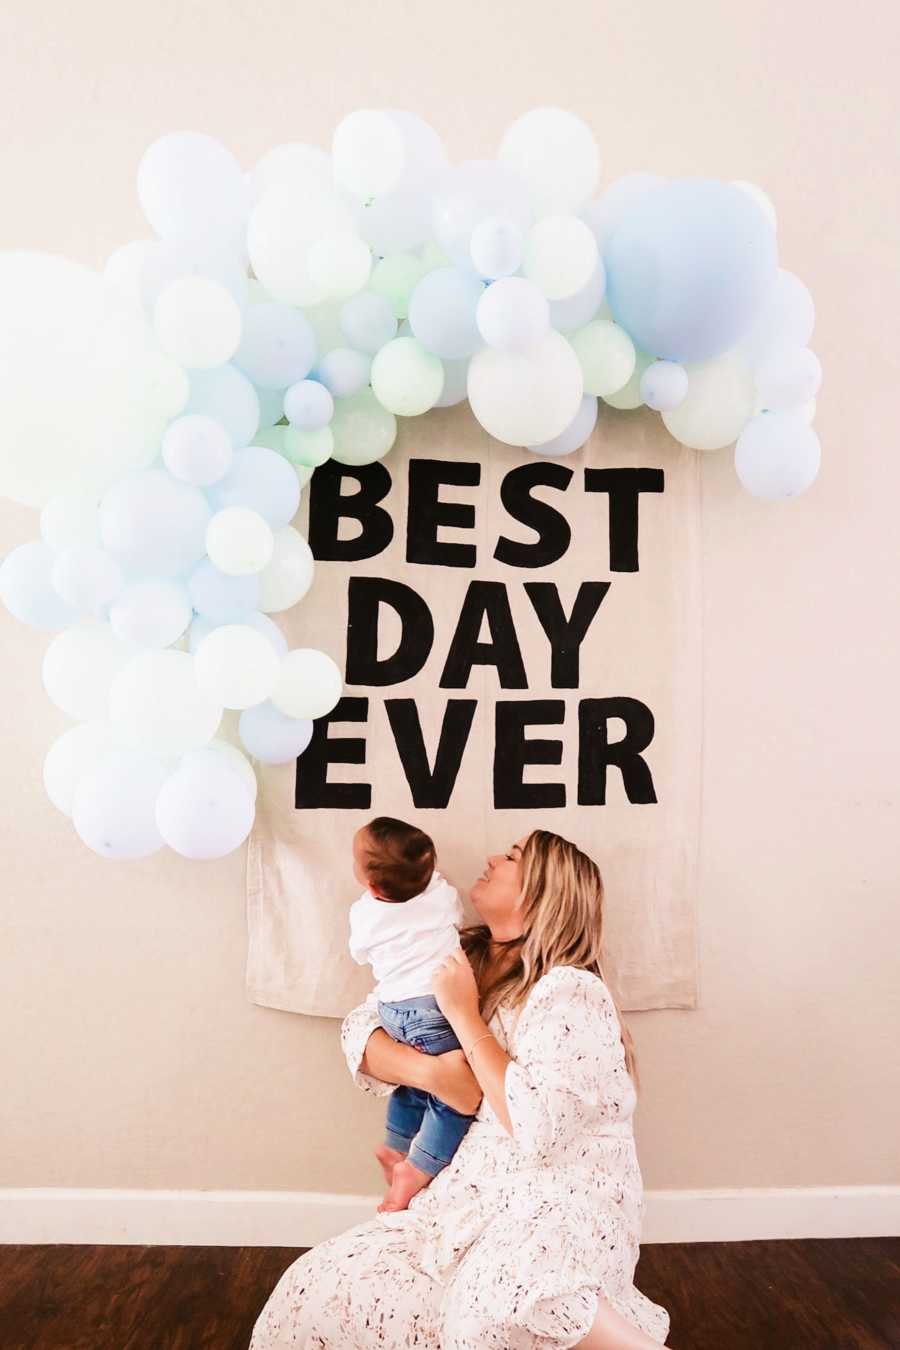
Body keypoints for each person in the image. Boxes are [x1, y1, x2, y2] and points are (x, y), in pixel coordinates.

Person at [251, 830, 671, 1349]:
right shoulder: (453, 952)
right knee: (314, 1288)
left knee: (493, 1304)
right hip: (463, 1198)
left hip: (555, 1197)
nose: (493, 857)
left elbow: (538, 1130)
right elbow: (361, 1029)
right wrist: (433, 1075)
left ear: (543, 892)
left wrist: (463, 1016)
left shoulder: (569, 991)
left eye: (513, 856)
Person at [348, 816, 477, 1212]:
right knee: (452, 1096)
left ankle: (398, 1147)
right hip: (435, 1007)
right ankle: (418, 1168)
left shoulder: (364, 913)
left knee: (412, 1080)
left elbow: (360, 953)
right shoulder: (442, 893)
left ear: (371, 884)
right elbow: (456, 918)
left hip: (391, 1010)